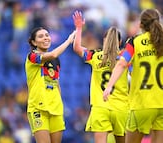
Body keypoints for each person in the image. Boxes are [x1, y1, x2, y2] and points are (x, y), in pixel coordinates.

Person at [103, 9, 163, 143]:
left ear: (141, 25)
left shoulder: (135, 41)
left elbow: (121, 64)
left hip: (142, 103)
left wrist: (109, 86)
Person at [73, 11, 129, 143]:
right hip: (121, 108)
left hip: (100, 106)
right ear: (120, 41)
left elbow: (76, 47)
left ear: (104, 40)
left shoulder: (95, 56)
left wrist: (79, 28)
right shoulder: (125, 58)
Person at [25, 27, 75, 143]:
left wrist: (60, 104)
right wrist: (68, 41)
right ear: (34, 42)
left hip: (56, 109)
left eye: (47, 35)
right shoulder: (32, 57)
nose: (45, 38)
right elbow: (52, 54)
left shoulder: (56, 60)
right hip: (38, 108)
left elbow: (56, 83)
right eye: (41, 36)